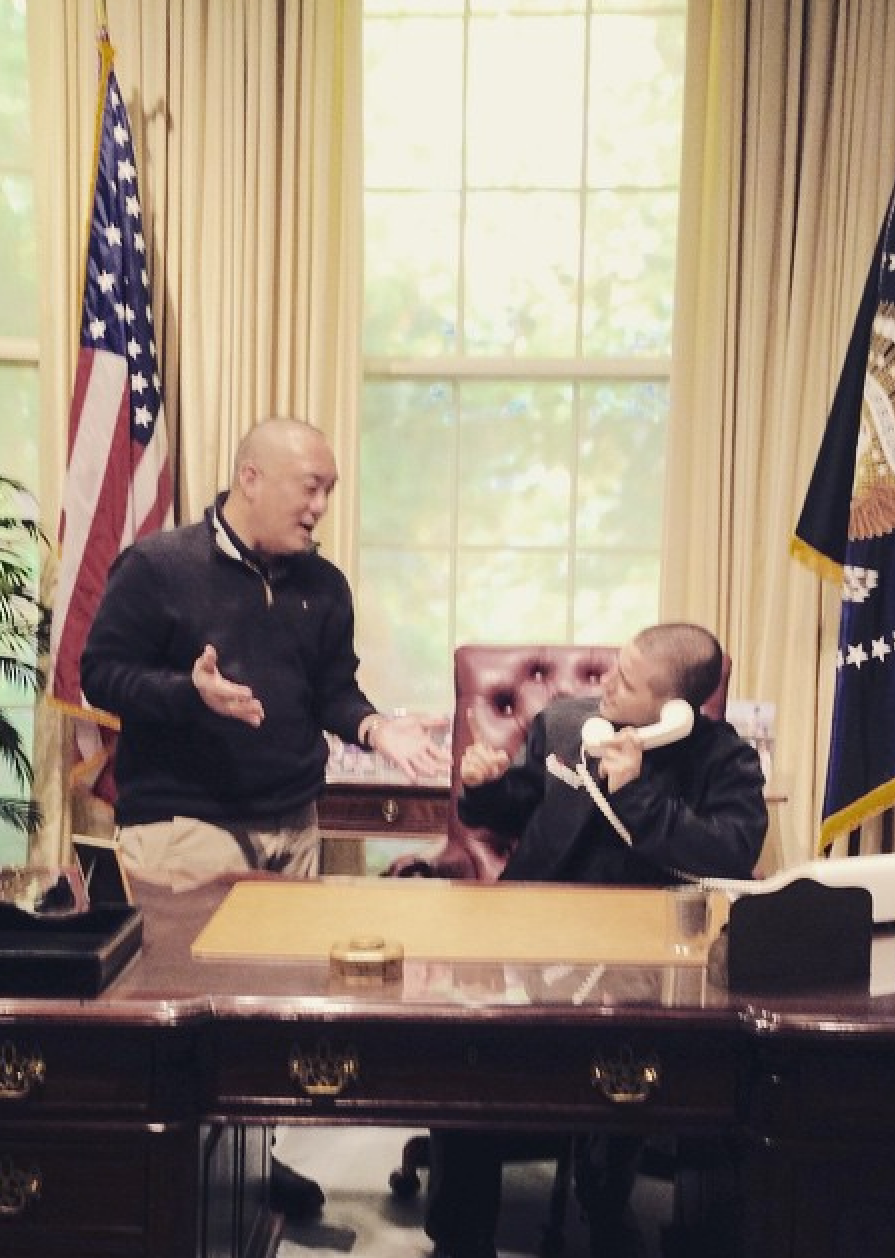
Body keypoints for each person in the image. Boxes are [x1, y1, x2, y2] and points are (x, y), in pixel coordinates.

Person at [80, 417, 449, 1221]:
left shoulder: (325, 585)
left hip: (291, 820)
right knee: (190, 1021)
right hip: (186, 824)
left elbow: (334, 692)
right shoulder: (159, 566)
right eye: (310, 487)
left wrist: (376, 728)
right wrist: (188, 692)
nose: (321, 507)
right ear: (250, 477)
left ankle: (250, 1165)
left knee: (268, 1018)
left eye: (330, 491)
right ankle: (173, 1188)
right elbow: (99, 674)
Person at [423, 622, 768, 1258]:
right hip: (534, 934)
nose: (606, 684)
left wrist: (636, 792)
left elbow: (731, 855)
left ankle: (607, 1202)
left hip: (648, 959)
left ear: (674, 709)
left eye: (627, 682)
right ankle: (460, 1235)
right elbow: (516, 807)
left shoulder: (726, 761)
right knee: (466, 1051)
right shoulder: (565, 726)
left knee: (647, 1061)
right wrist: (485, 786)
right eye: (615, 668)